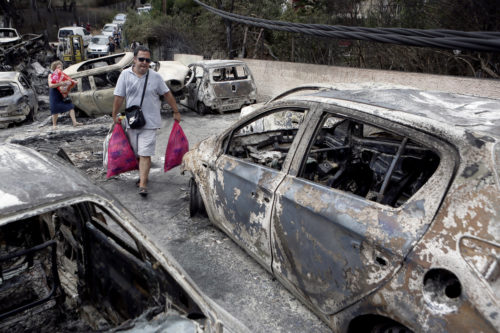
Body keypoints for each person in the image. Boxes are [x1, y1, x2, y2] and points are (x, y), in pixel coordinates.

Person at [112, 46, 181, 197]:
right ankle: (143, 176)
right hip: (133, 121)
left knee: (145, 153)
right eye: (141, 59)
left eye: (147, 60)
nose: (144, 63)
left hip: (150, 122)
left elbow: (167, 94)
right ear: (135, 59)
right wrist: (114, 115)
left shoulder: (155, 77)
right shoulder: (125, 75)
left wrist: (176, 111)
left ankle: (143, 184)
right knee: (136, 152)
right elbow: (119, 96)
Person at [48, 61, 82, 129]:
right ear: (55, 68)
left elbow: (69, 81)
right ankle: (54, 125)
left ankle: (75, 122)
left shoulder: (62, 75)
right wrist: (60, 84)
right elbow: (51, 85)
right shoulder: (51, 75)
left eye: (61, 67)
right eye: (58, 67)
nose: (60, 68)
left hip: (62, 93)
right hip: (54, 93)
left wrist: (73, 83)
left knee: (70, 106)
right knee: (55, 109)